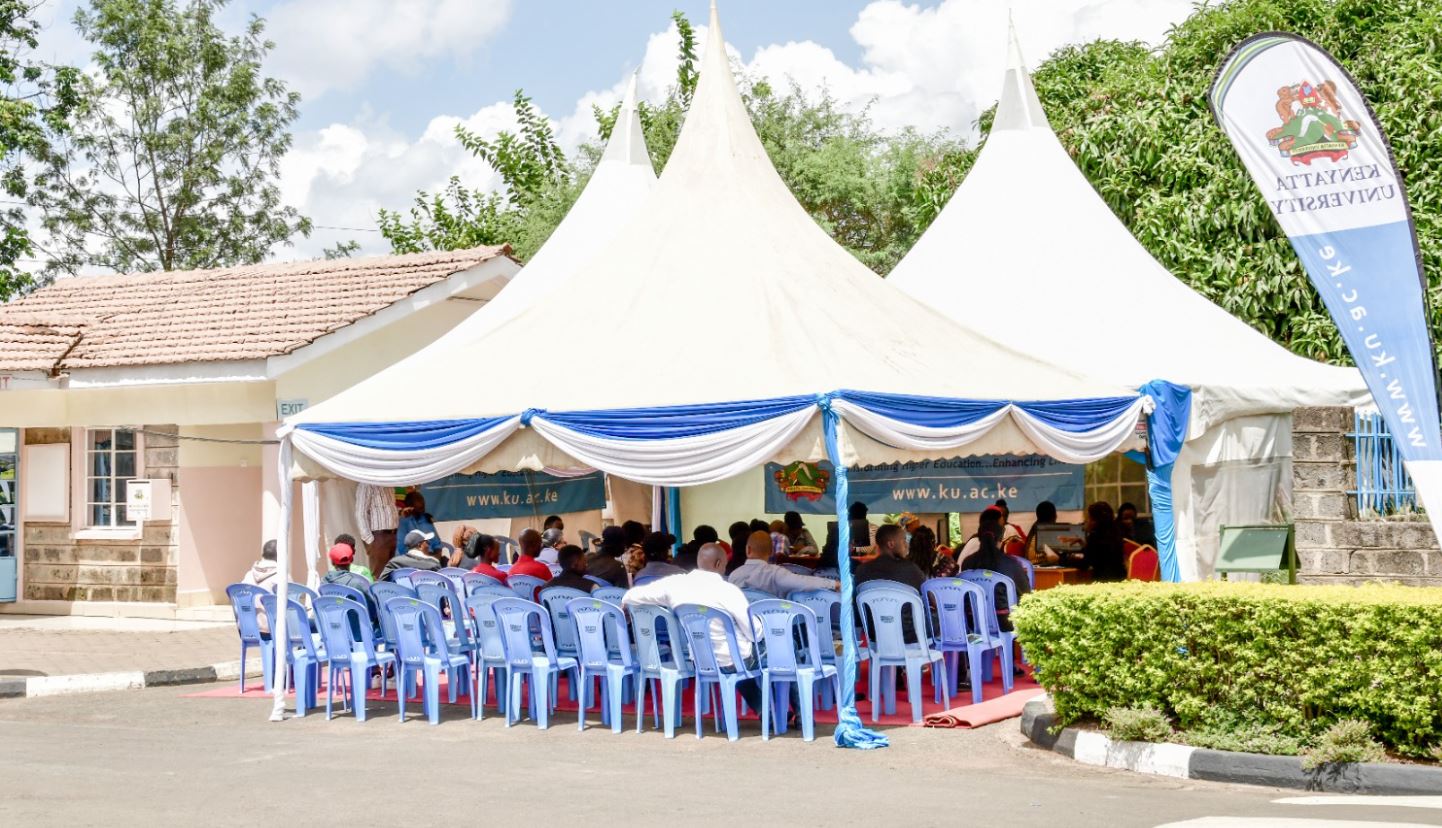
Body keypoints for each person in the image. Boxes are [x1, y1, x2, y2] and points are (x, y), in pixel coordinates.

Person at [623, 543, 794, 726]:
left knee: (732, 654)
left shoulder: (674, 584)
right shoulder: (727, 591)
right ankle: (797, 713)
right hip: (734, 660)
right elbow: (754, 632)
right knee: (785, 646)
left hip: (700, 661)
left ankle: (766, 710)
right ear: (719, 563)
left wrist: (624, 602)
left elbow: (635, 594)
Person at [854, 524, 926, 642]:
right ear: (891, 544)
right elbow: (930, 599)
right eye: (903, 540)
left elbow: (857, 606)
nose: (906, 545)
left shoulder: (861, 570)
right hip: (908, 633)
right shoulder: (910, 569)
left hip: (874, 632)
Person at [959, 523, 1033, 632]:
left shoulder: (967, 563)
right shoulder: (1011, 563)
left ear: (978, 538)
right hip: (1004, 622)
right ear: (1001, 539)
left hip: (973, 621)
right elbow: (1026, 595)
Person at [729, 530, 838, 595]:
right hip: (771, 627)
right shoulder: (775, 573)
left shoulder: (734, 575)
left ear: (747, 550)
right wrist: (833, 584)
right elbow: (802, 582)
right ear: (771, 552)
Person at [322, 542, 379, 630]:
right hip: (359, 635)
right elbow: (373, 610)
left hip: (335, 631)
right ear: (351, 560)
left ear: (332, 562)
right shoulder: (357, 584)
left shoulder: (323, 583)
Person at [354, 483, 399, 574]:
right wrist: (370, 541)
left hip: (393, 534)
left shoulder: (389, 484)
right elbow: (360, 513)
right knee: (379, 574)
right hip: (378, 537)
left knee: (392, 573)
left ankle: (390, 589)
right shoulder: (366, 485)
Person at [1080, 501, 1127, 582]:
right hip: (1119, 579)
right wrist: (1085, 546)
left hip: (1102, 582)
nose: (1085, 521)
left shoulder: (1095, 537)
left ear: (1095, 521)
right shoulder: (1115, 533)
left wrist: (1061, 559)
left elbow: (1085, 564)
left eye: (1088, 518)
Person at [396, 491, 452, 558]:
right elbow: (402, 549)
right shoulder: (403, 522)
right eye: (418, 508)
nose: (422, 510)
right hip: (411, 559)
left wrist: (436, 558)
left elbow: (437, 545)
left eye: (422, 507)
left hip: (431, 558)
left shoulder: (426, 519)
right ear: (410, 507)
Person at [1024, 501, 1063, 565]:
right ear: (1053, 516)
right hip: (1040, 569)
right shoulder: (1044, 533)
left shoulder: (1036, 529)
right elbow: (1055, 557)